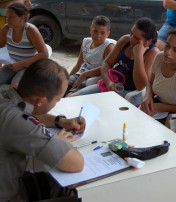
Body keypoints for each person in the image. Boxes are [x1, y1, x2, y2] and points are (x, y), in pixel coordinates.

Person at [0, 58, 86, 201]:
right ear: (41, 100)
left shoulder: (5, 96)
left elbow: (29, 116)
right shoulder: (19, 123)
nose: (57, 102)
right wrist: (57, 141)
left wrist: (60, 121)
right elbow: (76, 163)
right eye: (58, 99)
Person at [67, 17, 159, 106]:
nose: (131, 38)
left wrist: (138, 56)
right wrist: (109, 83)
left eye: (137, 38)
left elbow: (140, 86)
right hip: (110, 86)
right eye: (131, 33)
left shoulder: (152, 53)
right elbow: (106, 64)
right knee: (71, 98)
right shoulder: (125, 40)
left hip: (130, 95)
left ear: (148, 41)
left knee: (95, 106)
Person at [140, 28, 176, 121]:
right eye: (167, 46)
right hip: (158, 105)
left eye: (175, 50)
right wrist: (148, 96)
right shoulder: (160, 57)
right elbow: (150, 82)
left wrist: (161, 107)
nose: (168, 52)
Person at [0, 2, 48, 88]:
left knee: (16, 86)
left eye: (11, 17)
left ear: (22, 17)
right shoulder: (6, 29)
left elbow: (44, 54)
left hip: (28, 66)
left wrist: (20, 64)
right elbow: (0, 46)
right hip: (11, 65)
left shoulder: (30, 30)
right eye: (7, 17)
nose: (7, 20)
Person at [67, 15, 116, 93]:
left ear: (108, 34)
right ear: (90, 29)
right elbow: (78, 64)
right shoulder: (86, 42)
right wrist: (68, 78)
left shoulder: (108, 46)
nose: (98, 36)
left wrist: (85, 74)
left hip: (92, 79)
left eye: (102, 33)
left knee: (70, 95)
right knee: (61, 87)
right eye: (95, 31)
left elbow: (106, 68)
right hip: (80, 74)